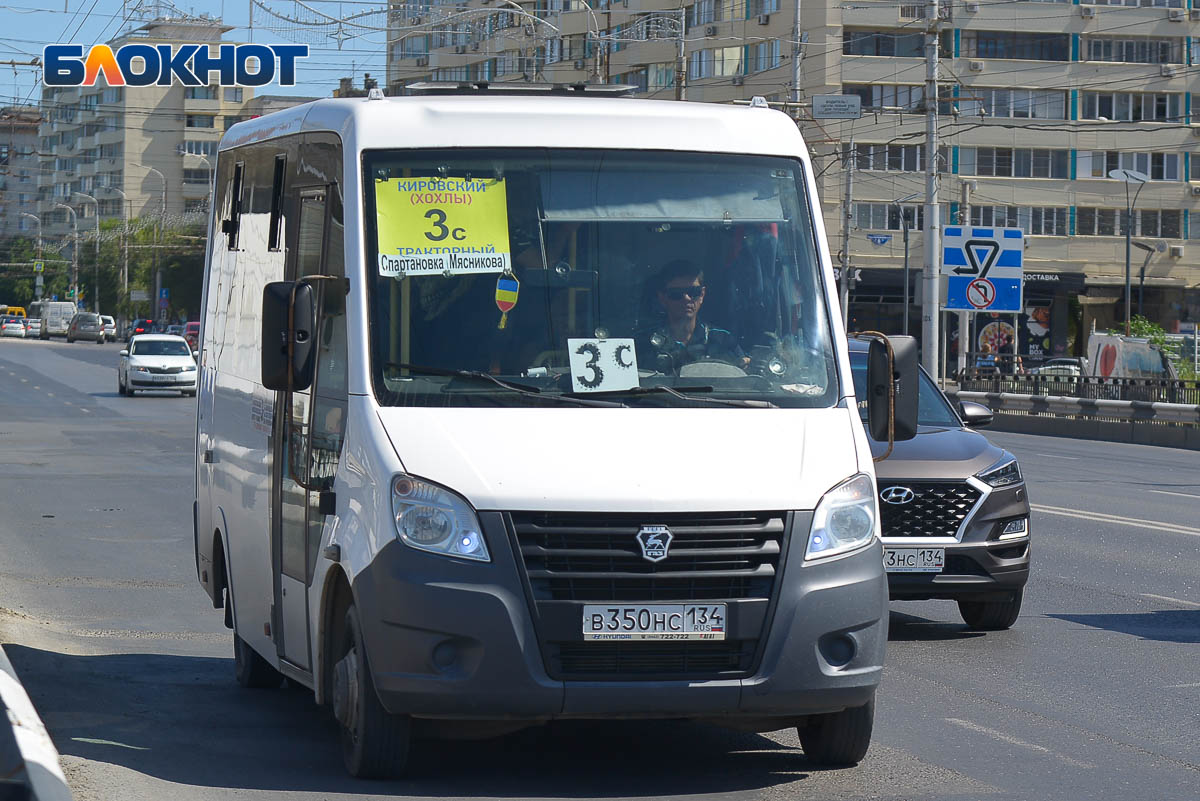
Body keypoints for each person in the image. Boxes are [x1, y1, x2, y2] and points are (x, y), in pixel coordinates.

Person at [642, 259, 747, 372]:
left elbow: (743, 379)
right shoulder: (642, 343)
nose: (687, 299)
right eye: (676, 294)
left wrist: (746, 365)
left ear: (702, 295)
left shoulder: (724, 341)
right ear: (662, 298)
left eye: (693, 292)